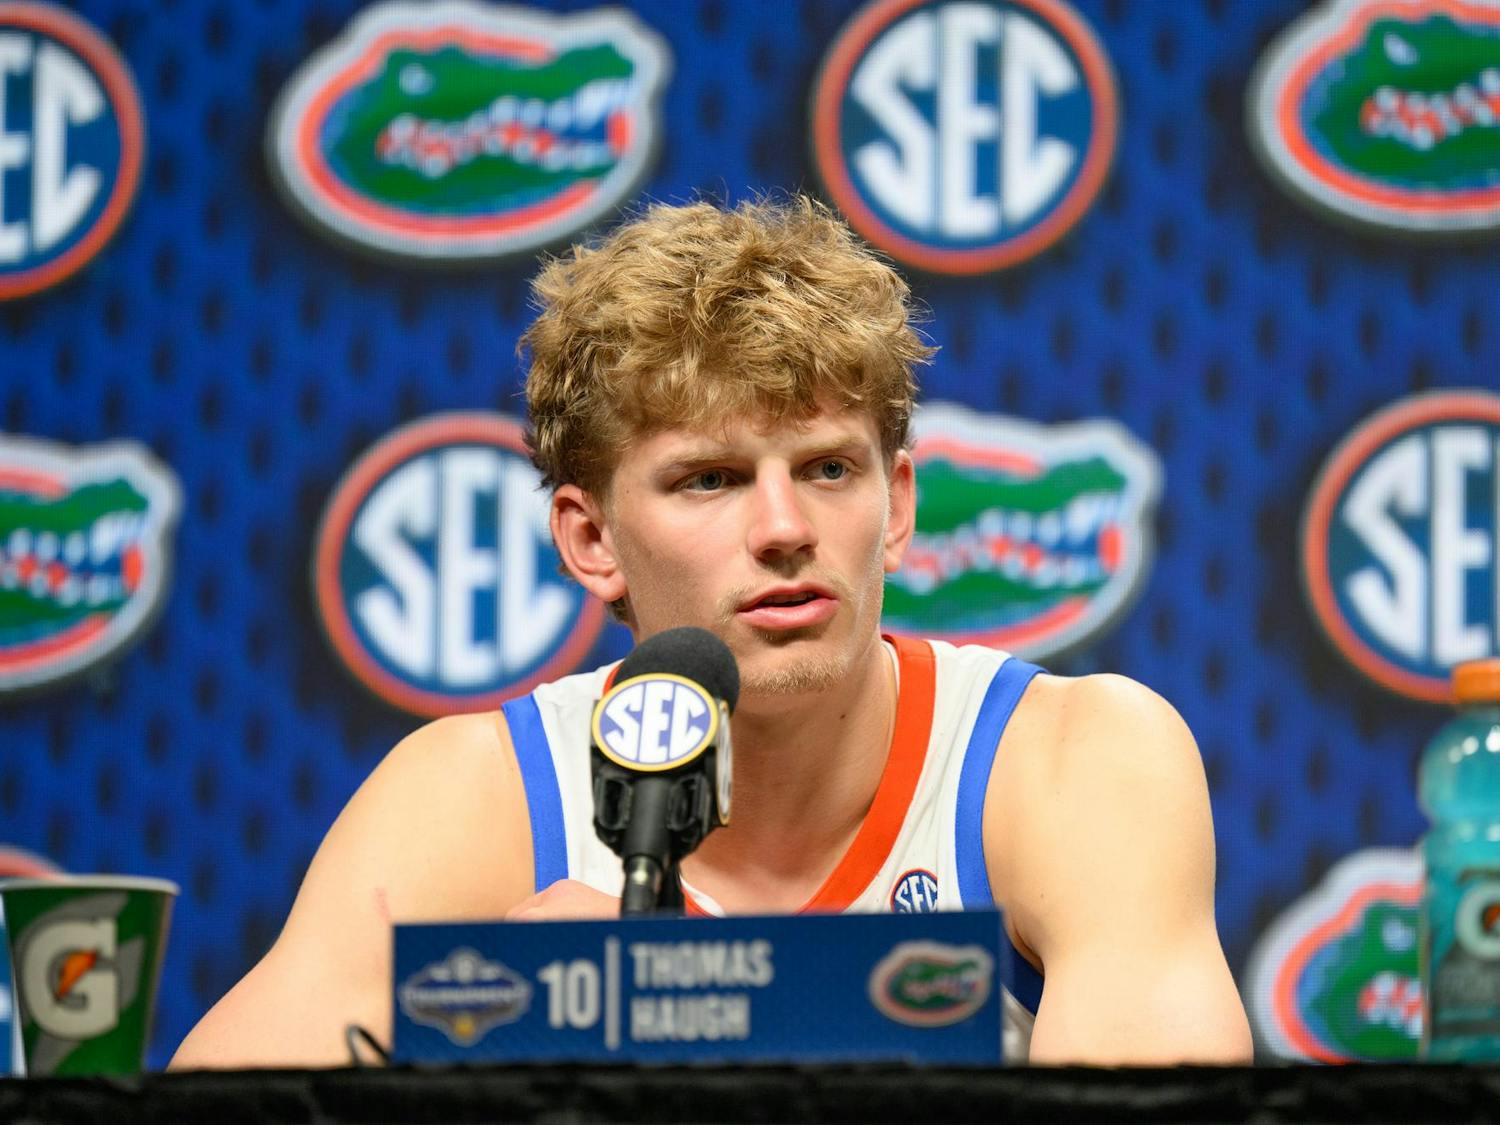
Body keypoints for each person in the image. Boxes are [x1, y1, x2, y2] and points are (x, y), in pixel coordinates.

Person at [170, 196, 1251, 1068]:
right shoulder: (478, 799)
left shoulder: (1074, 765)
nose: (784, 530)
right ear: (591, 539)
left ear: (901, 504)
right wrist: (486, 1070)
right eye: (710, 481)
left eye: (829, 468)